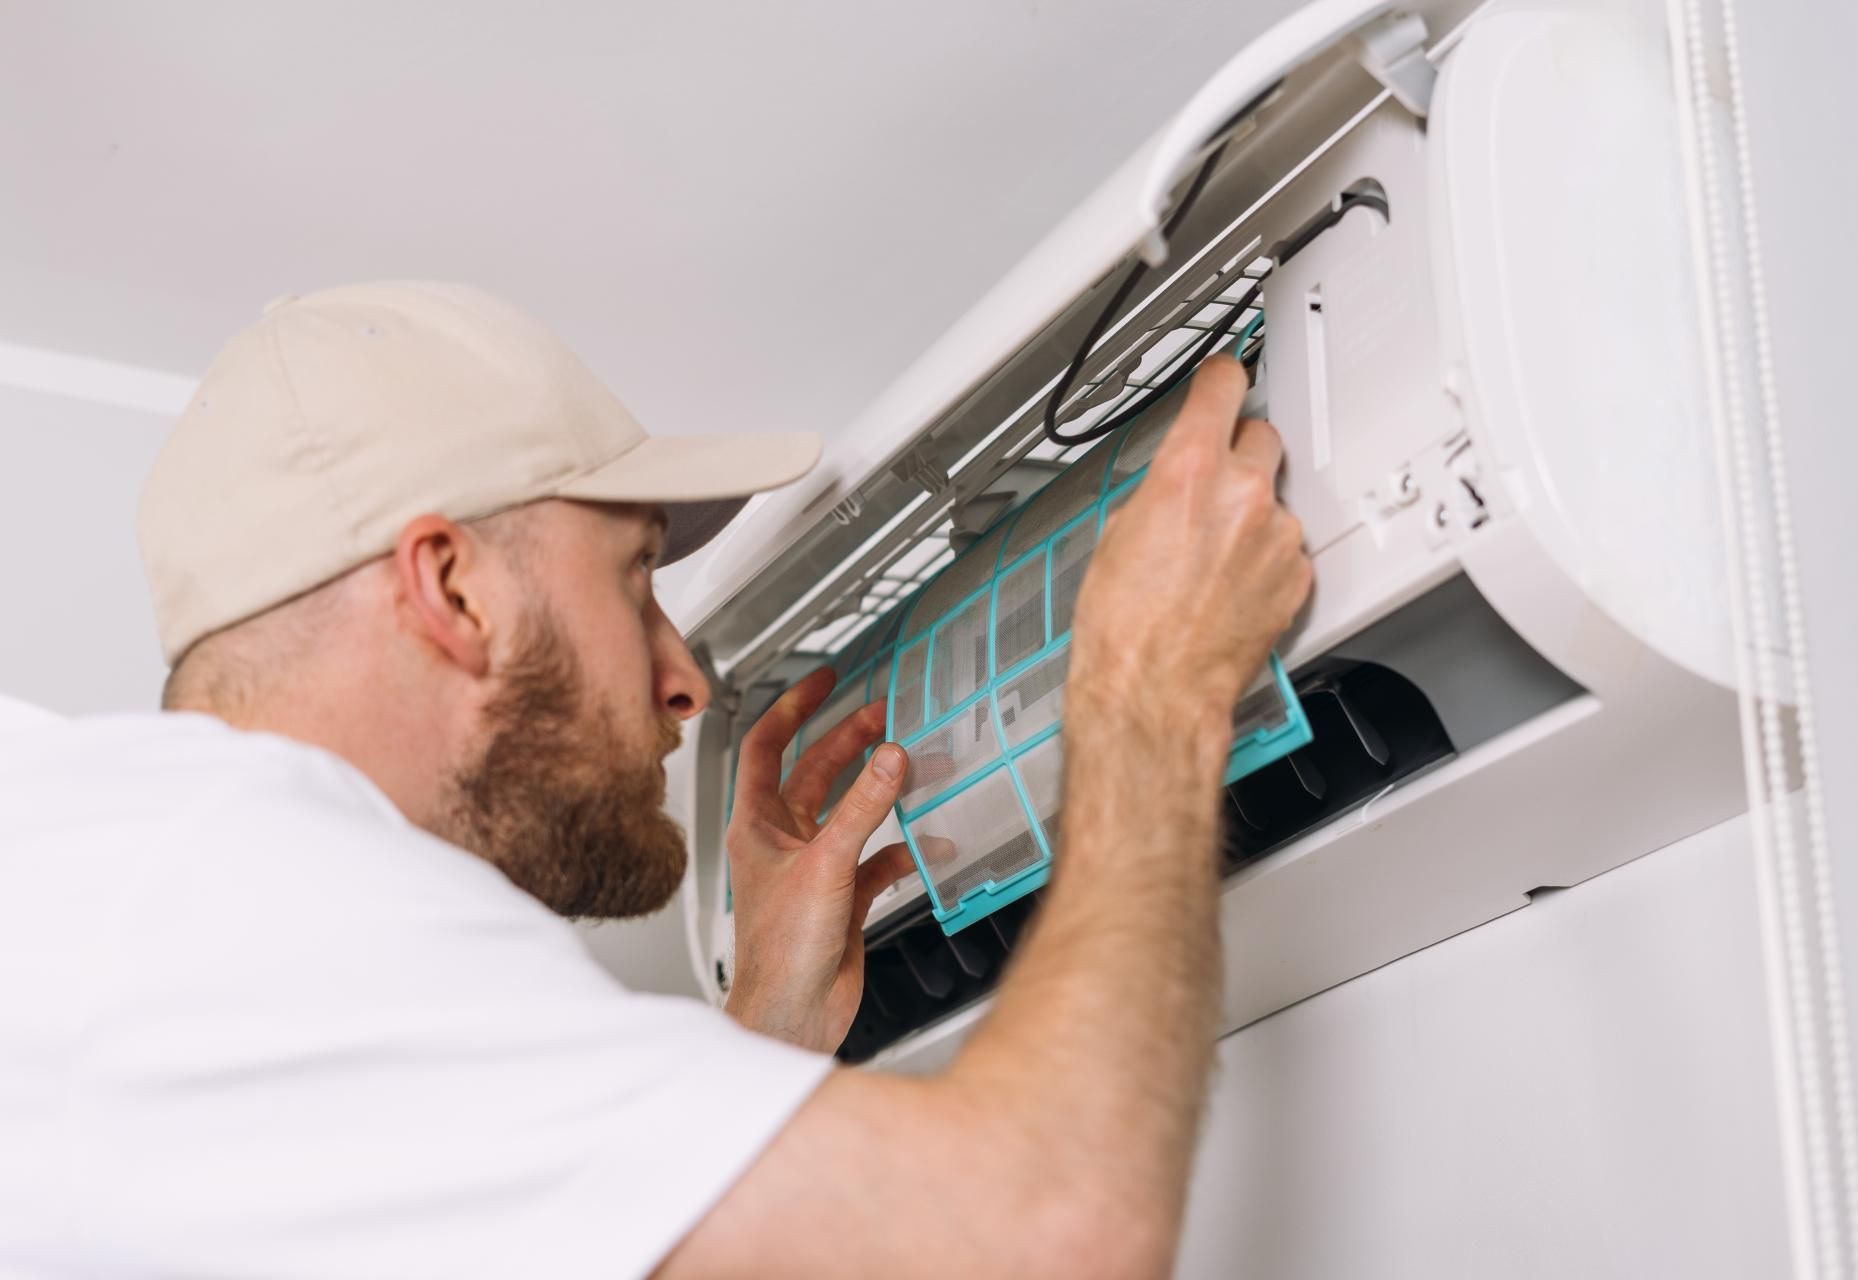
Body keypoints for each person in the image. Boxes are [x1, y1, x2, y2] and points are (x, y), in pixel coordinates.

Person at [0, 281, 1310, 1278]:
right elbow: (1040, 1230)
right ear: (452, 587)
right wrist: (1148, 694)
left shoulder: (146, 904)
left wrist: (762, 1036)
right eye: (635, 579)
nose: (682, 677)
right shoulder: (255, 893)